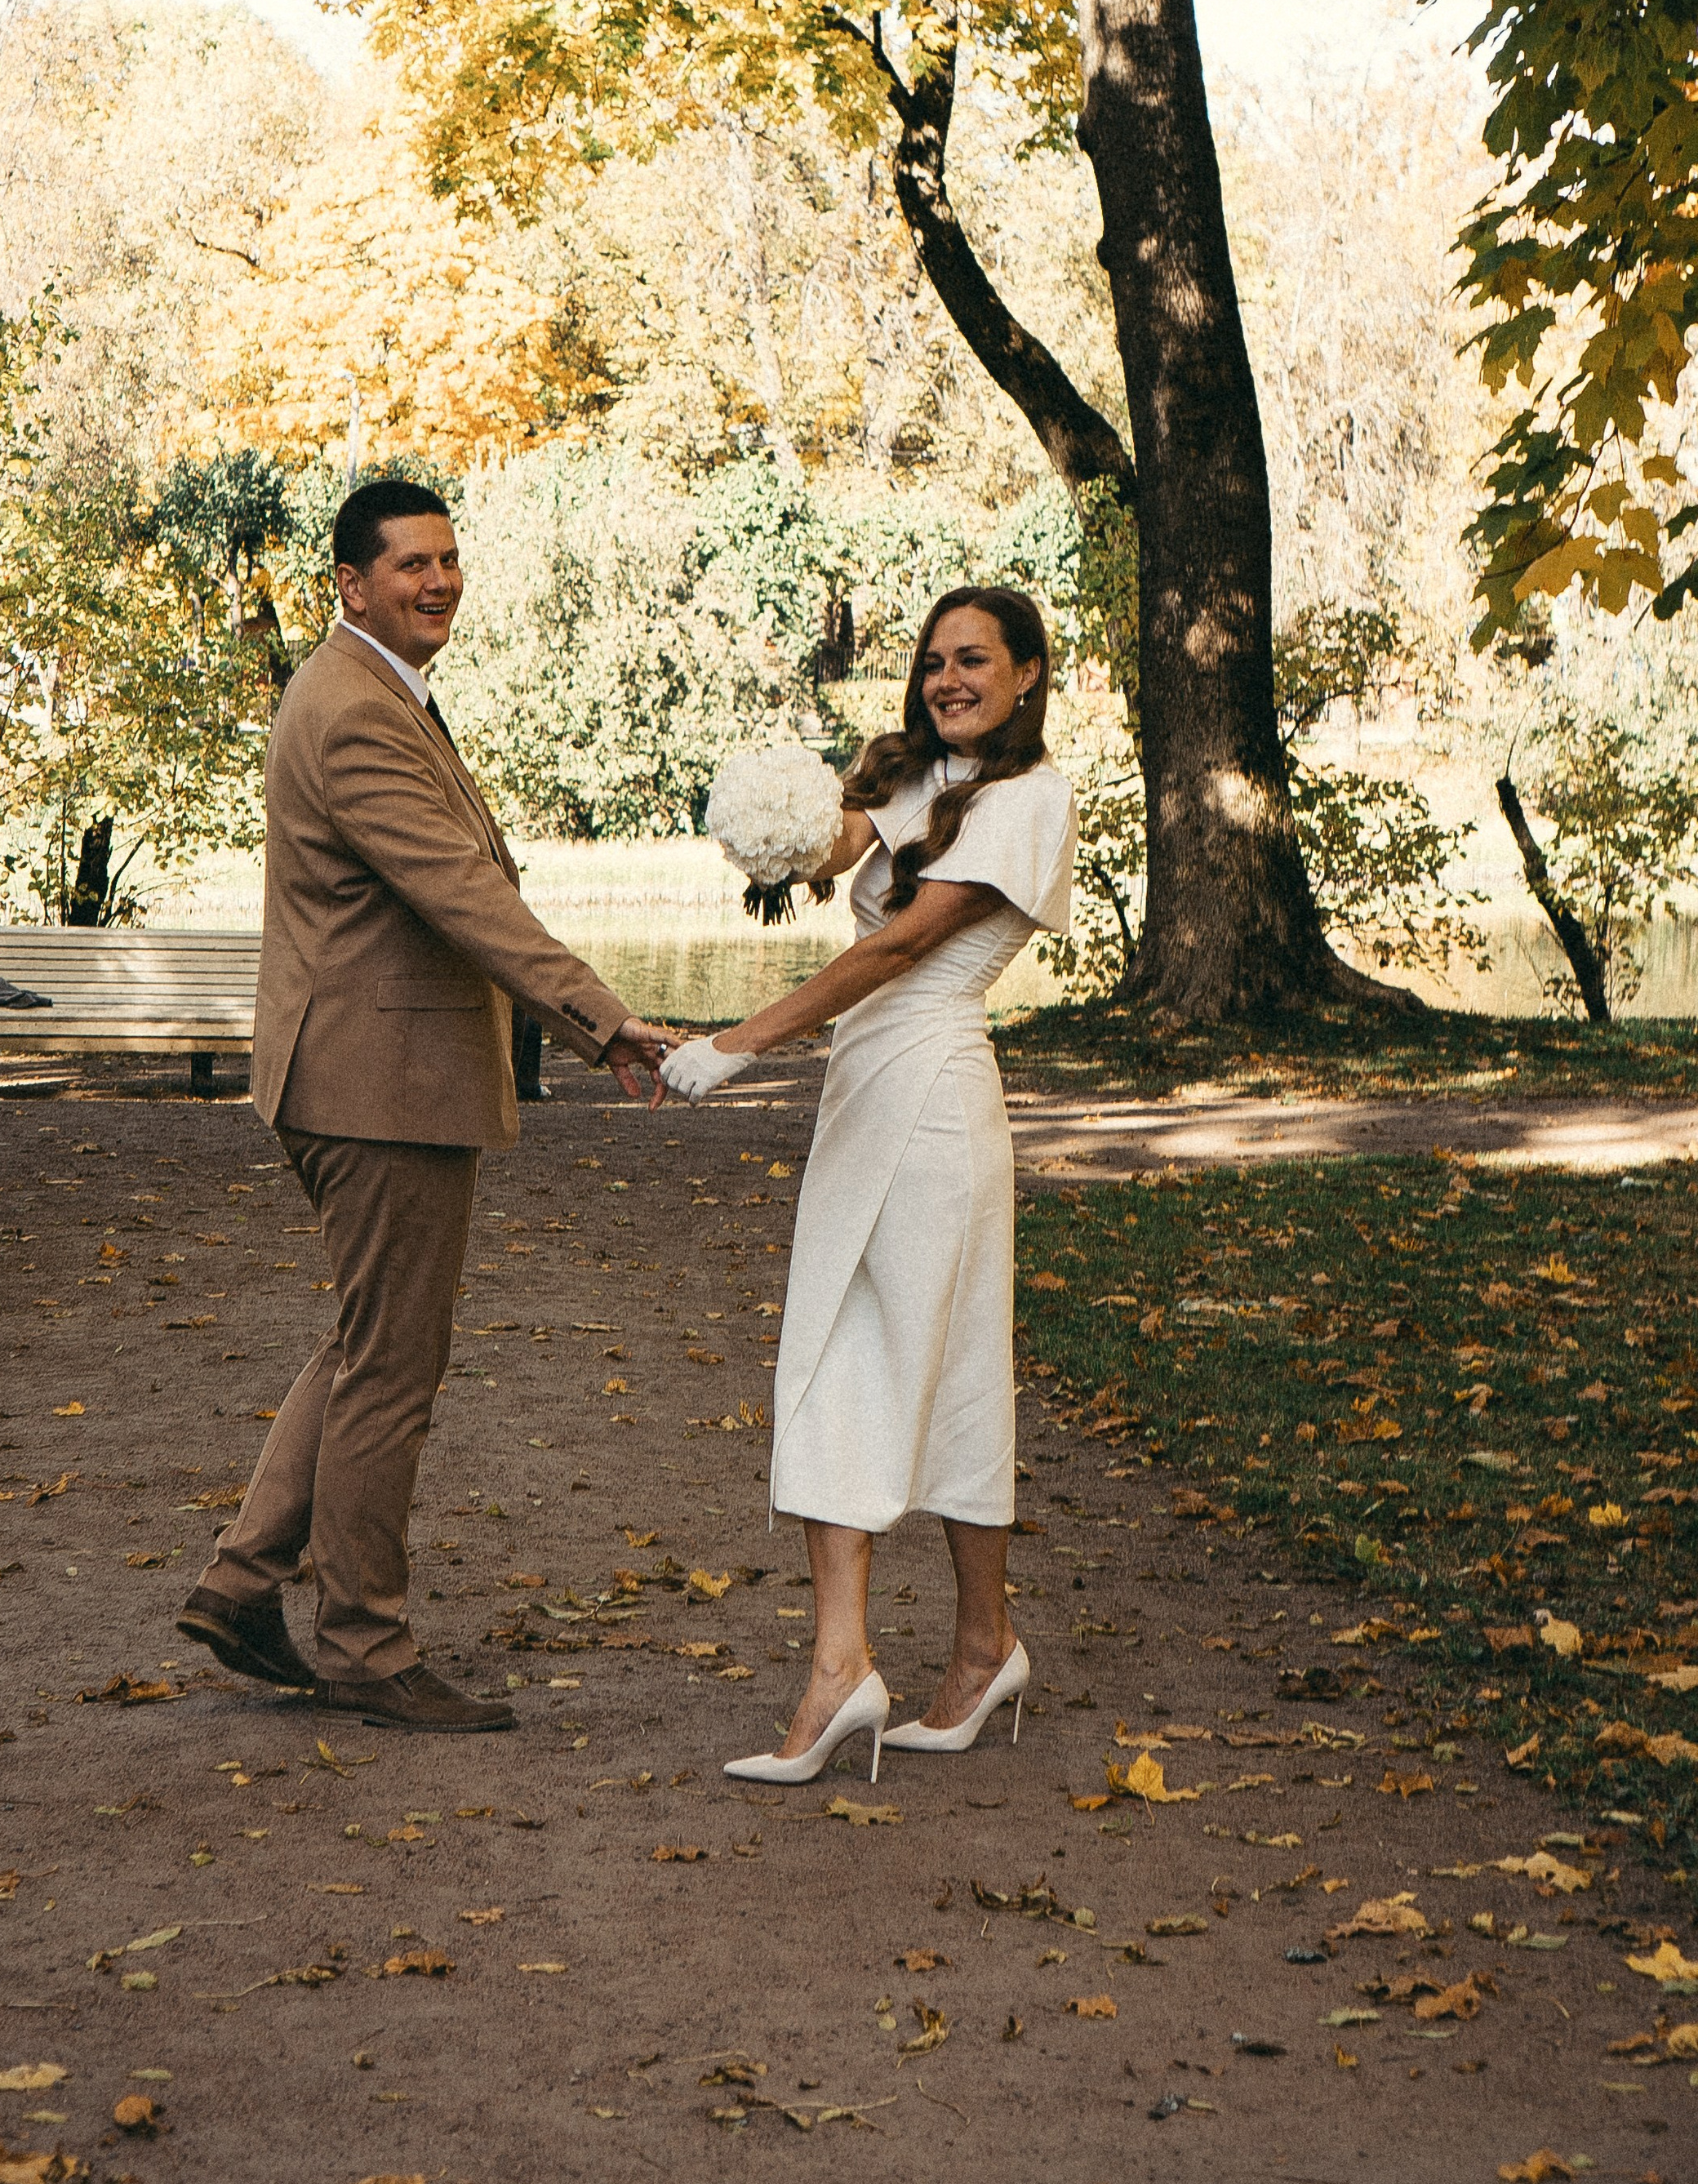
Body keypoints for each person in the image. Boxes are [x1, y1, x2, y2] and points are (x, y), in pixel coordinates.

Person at [178, 477, 669, 1731]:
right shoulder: (353, 710)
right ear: (353, 584)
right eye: (412, 566)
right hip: (374, 1087)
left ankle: (243, 1588)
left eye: (451, 559)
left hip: (364, 1075)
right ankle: (364, 1643)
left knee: (364, 1345)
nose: (440, 581)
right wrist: (602, 1019)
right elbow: (462, 894)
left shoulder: (378, 692)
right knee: (393, 1366)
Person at [663, 587, 1075, 1785]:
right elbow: (843, 853)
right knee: (843, 1351)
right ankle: (863, 1662)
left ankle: (974, 1646)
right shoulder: (917, 777)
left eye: (976, 661)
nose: (950, 679)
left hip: (937, 1092)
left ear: (1029, 674)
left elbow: (897, 947)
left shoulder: (1029, 797)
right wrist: (788, 814)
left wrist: (734, 1044)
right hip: (866, 1094)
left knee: (941, 1364)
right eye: (936, 661)